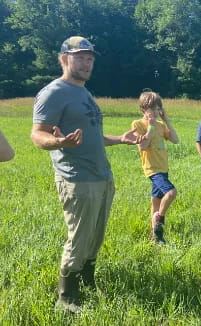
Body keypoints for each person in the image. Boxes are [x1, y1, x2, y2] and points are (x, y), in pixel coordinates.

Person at [30, 36, 143, 313]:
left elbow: (91, 135)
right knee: (79, 237)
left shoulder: (84, 93)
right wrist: (58, 143)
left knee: (95, 236)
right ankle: (66, 299)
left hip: (102, 176)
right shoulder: (53, 92)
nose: (86, 62)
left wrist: (119, 139)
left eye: (90, 58)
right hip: (77, 178)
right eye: (80, 56)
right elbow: (37, 134)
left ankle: (88, 282)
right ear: (64, 59)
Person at [131, 90, 179, 244]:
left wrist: (167, 120)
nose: (157, 111)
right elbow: (143, 146)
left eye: (159, 108)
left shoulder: (160, 124)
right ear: (143, 109)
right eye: (153, 108)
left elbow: (175, 139)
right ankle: (159, 220)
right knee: (171, 193)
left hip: (163, 168)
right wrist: (150, 128)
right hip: (153, 169)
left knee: (156, 202)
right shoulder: (138, 124)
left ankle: (155, 237)